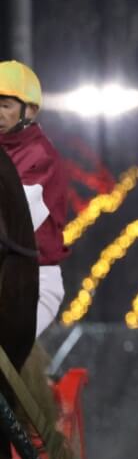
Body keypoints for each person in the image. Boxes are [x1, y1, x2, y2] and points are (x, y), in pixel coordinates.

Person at [0, 60, 69, 335]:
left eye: (5, 105)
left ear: (30, 110)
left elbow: (13, 222)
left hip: (32, 282)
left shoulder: (41, 158)